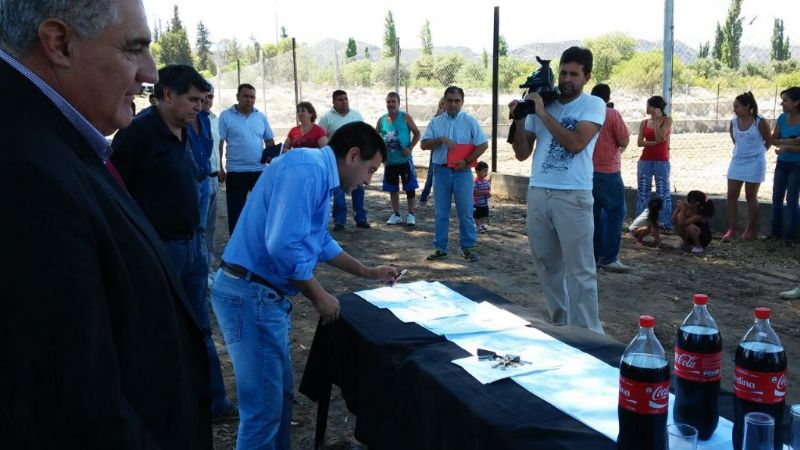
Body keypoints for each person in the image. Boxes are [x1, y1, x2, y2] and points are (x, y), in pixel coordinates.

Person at [0, 0, 212, 447]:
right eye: (134, 49)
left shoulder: (49, 140)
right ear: (59, 44)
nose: (150, 73)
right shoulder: (26, 172)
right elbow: (74, 411)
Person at [210, 121, 400, 449]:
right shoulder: (308, 170)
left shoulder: (318, 174)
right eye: (370, 170)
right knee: (263, 412)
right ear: (352, 155)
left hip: (261, 295)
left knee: (277, 401)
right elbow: (283, 246)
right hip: (251, 295)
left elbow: (318, 240)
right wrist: (319, 296)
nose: (368, 181)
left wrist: (368, 272)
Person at [111, 65, 235, 422]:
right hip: (159, 251)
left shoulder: (186, 129)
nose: (199, 106)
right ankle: (165, 408)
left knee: (200, 326)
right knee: (161, 329)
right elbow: (116, 194)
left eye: (202, 99)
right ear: (167, 94)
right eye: (192, 100)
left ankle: (212, 403)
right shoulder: (136, 134)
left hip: (192, 246)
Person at [509, 46, 605, 334]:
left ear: (587, 77)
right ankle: (562, 328)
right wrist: (519, 119)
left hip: (573, 195)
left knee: (580, 270)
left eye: (574, 74)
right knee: (547, 265)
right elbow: (522, 153)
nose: (566, 79)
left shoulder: (592, 105)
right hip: (539, 192)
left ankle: (589, 336)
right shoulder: (543, 103)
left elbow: (576, 144)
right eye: (563, 73)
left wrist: (542, 112)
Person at [421, 86, 488, 262]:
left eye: (457, 101)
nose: (453, 104)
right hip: (440, 171)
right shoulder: (436, 122)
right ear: (444, 101)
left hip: (463, 172)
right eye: (450, 100)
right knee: (441, 213)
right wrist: (441, 139)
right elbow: (423, 144)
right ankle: (440, 248)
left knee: (466, 212)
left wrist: (466, 161)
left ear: (462, 102)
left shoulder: (469, 121)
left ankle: (468, 247)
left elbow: (483, 144)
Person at [218, 83, 275, 234]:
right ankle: (236, 245)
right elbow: (220, 142)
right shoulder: (226, 116)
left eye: (252, 97)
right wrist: (220, 167)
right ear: (237, 97)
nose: (249, 100)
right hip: (236, 172)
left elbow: (269, 140)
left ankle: (262, 241)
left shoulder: (260, 117)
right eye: (245, 96)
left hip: (259, 171)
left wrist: (272, 158)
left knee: (263, 210)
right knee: (236, 213)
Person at [590, 83, 631, 272]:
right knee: (616, 212)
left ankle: (594, 255)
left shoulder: (585, 112)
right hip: (608, 171)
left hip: (587, 171)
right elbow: (623, 140)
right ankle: (608, 257)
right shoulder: (612, 114)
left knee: (594, 215)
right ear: (608, 98)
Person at [721, 92, 771, 242]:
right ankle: (731, 229)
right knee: (731, 195)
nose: (734, 109)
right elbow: (735, 140)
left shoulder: (759, 122)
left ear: (747, 106)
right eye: (734, 106)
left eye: (737, 106)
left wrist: (757, 153)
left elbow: (768, 141)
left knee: (751, 196)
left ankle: (750, 230)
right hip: (737, 161)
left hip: (755, 162)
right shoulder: (733, 122)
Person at [319, 89, 369, 230]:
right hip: (337, 161)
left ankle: (361, 218)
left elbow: (364, 136)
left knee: (358, 188)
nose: (344, 102)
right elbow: (321, 138)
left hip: (356, 160)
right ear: (333, 102)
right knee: (338, 191)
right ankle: (339, 221)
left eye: (345, 99)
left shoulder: (356, 116)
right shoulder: (326, 118)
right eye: (340, 99)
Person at [378, 92, 421, 226]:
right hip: (390, 162)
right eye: (388, 102)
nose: (391, 104)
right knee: (393, 188)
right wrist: (381, 155)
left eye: (393, 101)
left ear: (398, 103)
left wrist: (410, 147)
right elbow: (375, 137)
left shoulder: (405, 117)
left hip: (404, 160)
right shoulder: (382, 120)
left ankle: (411, 214)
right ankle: (396, 214)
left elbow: (417, 133)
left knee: (409, 188)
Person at [767, 86, 800, 246]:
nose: (782, 103)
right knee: (776, 198)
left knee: (792, 200)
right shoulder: (781, 118)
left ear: (796, 102)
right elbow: (772, 139)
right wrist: (790, 142)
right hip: (782, 163)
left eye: (785, 100)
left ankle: (791, 236)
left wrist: (786, 146)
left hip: (797, 165)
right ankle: (776, 232)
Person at [635, 95, 673, 231]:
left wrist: (657, 121)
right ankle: (641, 223)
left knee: (662, 192)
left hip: (661, 161)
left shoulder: (667, 120)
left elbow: (660, 137)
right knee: (643, 193)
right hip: (645, 160)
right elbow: (640, 142)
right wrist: (654, 143)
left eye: (649, 105)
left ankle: (664, 222)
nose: (647, 108)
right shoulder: (644, 122)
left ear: (656, 108)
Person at [204, 86, 222, 272]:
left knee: (211, 227)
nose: (209, 99)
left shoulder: (214, 119)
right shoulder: (193, 120)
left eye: (211, 96)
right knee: (200, 227)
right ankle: (202, 268)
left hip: (215, 178)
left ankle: (208, 267)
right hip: (201, 179)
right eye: (206, 95)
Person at [419, 96, 446, 204]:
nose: (445, 106)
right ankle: (424, 196)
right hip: (436, 150)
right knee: (431, 173)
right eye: (442, 104)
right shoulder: (436, 118)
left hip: (446, 150)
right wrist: (439, 115)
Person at [473, 161, 491, 233]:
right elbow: (474, 192)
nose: (486, 173)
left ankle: (482, 224)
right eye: (484, 171)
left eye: (487, 171)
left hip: (484, 203)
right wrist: (485, 192)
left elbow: (488, 189)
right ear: (478, 172)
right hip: (477, 203)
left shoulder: (486, 181)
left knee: (484, 214)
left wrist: (488, 194)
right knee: (477, 215)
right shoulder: (476, 182)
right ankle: (478, 226)